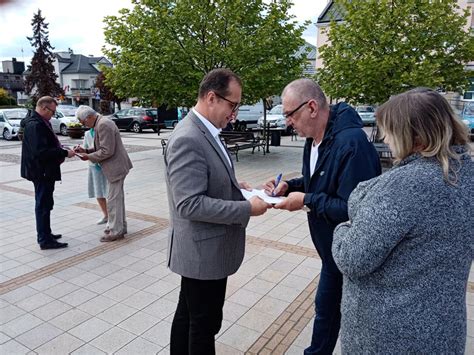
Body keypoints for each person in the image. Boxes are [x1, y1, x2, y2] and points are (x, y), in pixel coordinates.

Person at [332, 88, 473, 353]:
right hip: (444, 330)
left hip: (390, 337)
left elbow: (352, 258)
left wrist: (343, 228)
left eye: (390, 130)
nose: (385, 138)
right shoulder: (468, 175)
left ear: (415, 135)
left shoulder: (402, 187)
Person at [263, 78, 381, 354]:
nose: (288, 122)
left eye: (290, 114)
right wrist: (290, 186)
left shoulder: (351, 144)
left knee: (329, 311)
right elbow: (320, 179)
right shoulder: (314, 138)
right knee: (327, 311)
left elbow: (355, 208)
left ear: (312, 107)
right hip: (330, 250)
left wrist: (306, 200)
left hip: (349, 254)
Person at [165, 68, 270, 355]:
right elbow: (188, 203)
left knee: (189, 316)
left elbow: (207, 177)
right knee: (203, 325)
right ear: (212, 97)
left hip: (204, 250)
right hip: (203, 252)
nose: (234, 113)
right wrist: (246, 207)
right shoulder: (189, 137)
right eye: (232, 105)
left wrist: (235, 185)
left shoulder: (205, 130)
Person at [20, 96, 75, 250]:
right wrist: (64, 153)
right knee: (43, 204)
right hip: (41, 171)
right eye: (52, 111)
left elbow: (45, 145)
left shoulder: (38, 122)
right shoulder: (35, 125)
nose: (53, 114)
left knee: (45, 203)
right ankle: (44, 239)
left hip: (43, 170)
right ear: (44, 108)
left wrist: (59, 147)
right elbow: (41, 151)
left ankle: (46, 233)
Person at [74, 105, 132, 242]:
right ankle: (120, 227)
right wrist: (86, 150)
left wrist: (88, 156)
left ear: (89, 117)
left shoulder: (103, 124)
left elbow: (106, 151)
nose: (84, 125)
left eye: (83, 122)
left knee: (113, 201)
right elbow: (103, 147)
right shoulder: (101, 122)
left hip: (116, 168)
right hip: (116, 167)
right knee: (117, 199)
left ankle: (115, 231)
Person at [83, 128, 108, 225]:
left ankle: (113, 216)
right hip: (93, 166)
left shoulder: (103, 131)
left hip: (105, 166)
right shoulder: (87, 133)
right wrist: (81, 151)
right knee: (98, 192)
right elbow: (85, 148)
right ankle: (106, 215)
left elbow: (105, 149)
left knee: (109, 192)